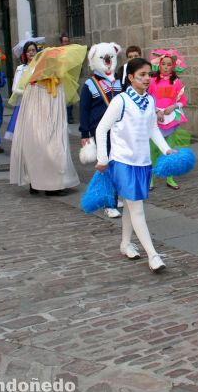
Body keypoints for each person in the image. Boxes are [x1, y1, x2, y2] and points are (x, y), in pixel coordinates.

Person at [94, 57, 174, 271]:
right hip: (123, 162)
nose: (147, 78)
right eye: (142, 75)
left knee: (132, 206)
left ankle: (125, 243)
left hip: (142, 163)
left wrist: (166, 149)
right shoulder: (120, 101)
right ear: (130, 78)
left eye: (149, 74)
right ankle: (153, 255)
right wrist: (102, 158)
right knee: (137, 208)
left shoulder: (149, 101)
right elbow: (101, 129)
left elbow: (152, 129)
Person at [10, 44, 86, 196]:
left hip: (53, 124)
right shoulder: (33, 83)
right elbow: (26, 101)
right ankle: (36, 181)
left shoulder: (57, 83)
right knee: (37, 148)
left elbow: (59, 106)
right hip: (37, 123)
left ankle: (54, 184)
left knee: (55, 149)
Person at [79, 42, 123, 219]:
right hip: (99, 131)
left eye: (110, 58)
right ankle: (108, 203)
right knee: (106, 166)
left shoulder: (119, 81)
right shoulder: (89, 85)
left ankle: (115, 195)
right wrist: (84, 134)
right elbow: (83, 110)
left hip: (119, 130)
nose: (107, 61)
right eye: (103, 58)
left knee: (118, 164)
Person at [148, 49, 190, 191]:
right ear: (158, 65)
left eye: (168, 64)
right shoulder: (152, 81)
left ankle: (170, 178)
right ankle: (150, 179)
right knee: (153, 150)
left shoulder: (177, 82)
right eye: (163, 64)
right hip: (155, 120)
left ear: (173, 66)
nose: (166, 67)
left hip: (171, 119)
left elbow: (183, 101)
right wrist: (156, 111)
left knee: (170, 150)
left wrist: (173, 106)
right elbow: (147, 99)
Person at [5, 40, 40, 140]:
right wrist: (28, 91)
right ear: (25, 53)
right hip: (24, 104)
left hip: (38, 104)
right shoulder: (21, 69)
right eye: (29, 51)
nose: (31, 52)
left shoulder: (40, 68)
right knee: (24, 133)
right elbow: (15, 88)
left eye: (33, 50)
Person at [60, 32, 76, 124]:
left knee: (70, 98)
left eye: (67, 41)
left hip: (70, 78)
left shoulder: (72, 51)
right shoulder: (59, 52)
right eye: (64, 41)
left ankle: (69, 116)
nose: (66, 43)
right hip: (62, 79)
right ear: (61, 43)